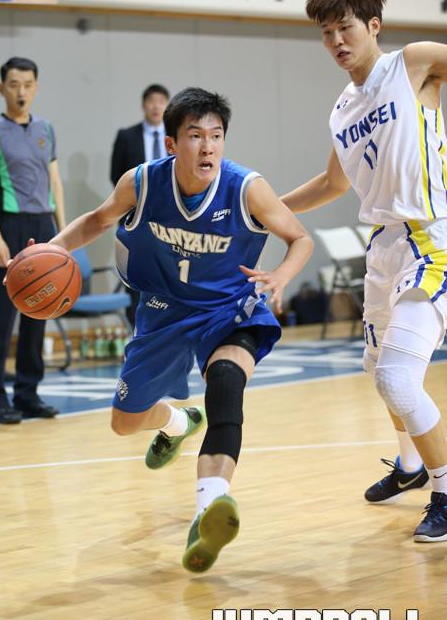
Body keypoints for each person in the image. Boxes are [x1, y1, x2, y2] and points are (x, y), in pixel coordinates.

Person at [48, 87, 313, 571]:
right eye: (195, 136)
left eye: (216, 136)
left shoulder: (247, 188)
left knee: (226, 383)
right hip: (163, 310)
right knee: (124, 422)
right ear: (171, 143)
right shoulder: (143, 182)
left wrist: (281, 275)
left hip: (227, 310)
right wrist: (52, 249)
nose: (208, 146)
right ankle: (176, 422)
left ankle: (208, 511)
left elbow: (300, 238)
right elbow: (98, 220)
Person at [282, 0, 447, 542]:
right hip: (384, 247)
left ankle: (445, 487)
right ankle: (410, 465)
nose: (336, 41)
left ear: (373, 25)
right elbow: (333, 184)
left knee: (399, 378)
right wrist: (266, 209)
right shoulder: (343, 108)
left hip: (432, 238)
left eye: (345, 28)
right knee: (378, 372)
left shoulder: (413, 64)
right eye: (326, 33)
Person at [0, 57, 65, 424]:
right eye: (14, 84)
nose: (21, 91)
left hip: (44, 226)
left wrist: (63, 234)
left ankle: (28, 394)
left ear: (36, 87)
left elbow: (55, 182)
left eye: (28, 84)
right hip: (10, 226)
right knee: (0, 318)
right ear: (2, 88)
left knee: (38, 313)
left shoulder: (46, 129)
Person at [110, 83, 171, 326]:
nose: (156, 106)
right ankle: (136, 328)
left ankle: (166, 326)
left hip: (170, 215)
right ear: (144, 105)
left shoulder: (176, 137)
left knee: (169, 274)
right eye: (151, 101)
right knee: (135, 274)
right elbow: (116, 175)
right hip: (135, 215)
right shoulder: (126, 136)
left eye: (161, 102)